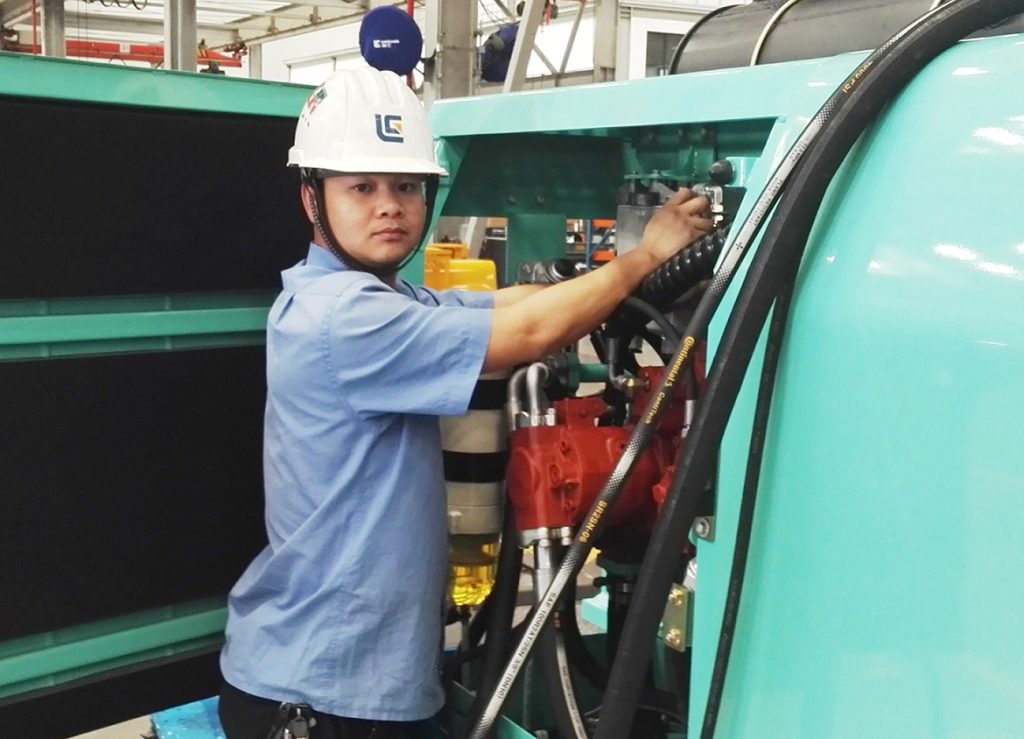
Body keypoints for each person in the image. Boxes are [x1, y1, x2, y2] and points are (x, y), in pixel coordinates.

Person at [218, 67, 710, 739]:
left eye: (406, 186)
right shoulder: (342, 318)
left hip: (363, 680)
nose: (389, 206)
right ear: (312, 198)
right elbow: (526, 333)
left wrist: (619, 276)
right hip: (327, 694)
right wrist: (645, 257)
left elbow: (507, 305)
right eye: (362, 187)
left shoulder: (384, 298)